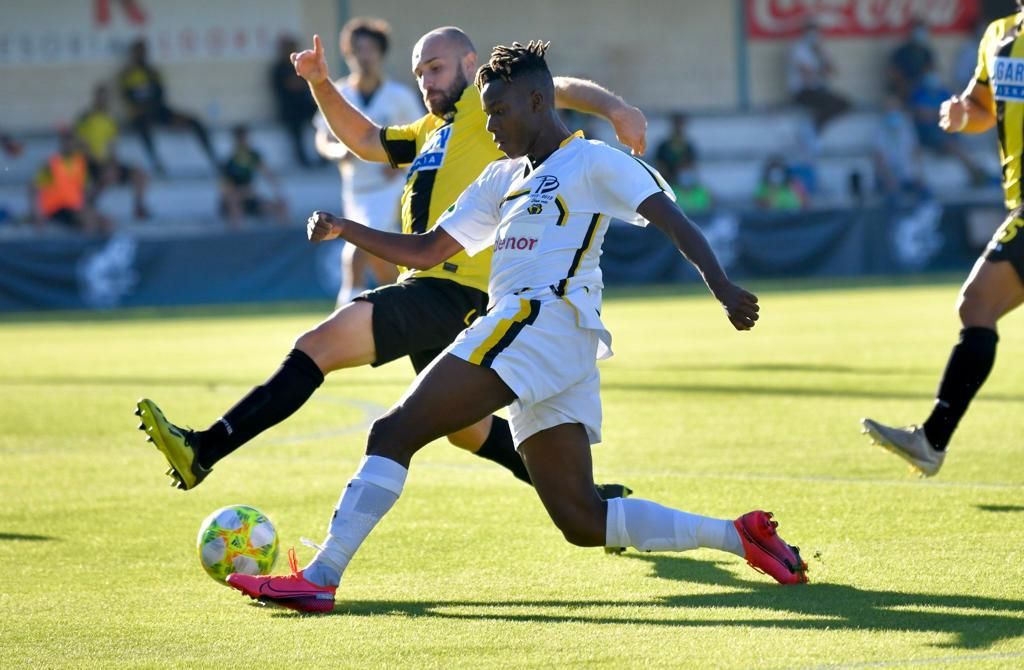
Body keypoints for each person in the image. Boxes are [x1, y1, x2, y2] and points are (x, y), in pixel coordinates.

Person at [225, 41, 807, 613]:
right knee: (582, 519)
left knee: (393, 432)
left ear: (537, 101)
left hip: (539, 320)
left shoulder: (593, 160)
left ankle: (322, 576)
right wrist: (347, 228)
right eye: (487, 112)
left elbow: (672, 219)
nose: (492, 124)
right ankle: (741, 536)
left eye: (500, 111)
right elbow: (428, 251)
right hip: (552, 339)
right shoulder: (502, 177)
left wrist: (722, 287)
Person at [135, 27, 646, 503]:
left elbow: (559, 87)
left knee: (318, 345)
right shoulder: (429, 131)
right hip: (431, 289)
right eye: (420, 71)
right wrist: (320, 82)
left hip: (452, 292)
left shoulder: (481, 108)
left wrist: (616, 108)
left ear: (470, 63)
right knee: (469, 431)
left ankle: (204, 449)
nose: (426, 80)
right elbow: (363, 140)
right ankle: (591, 502)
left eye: (436, 67)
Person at [861, 3, 1024, 476]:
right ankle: (931, 441)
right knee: (977, 308)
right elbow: (983, 109)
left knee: (977, 304)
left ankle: (932, 440)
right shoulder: (998, 34)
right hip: (1018, 198)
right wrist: (960, 115)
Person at [313, 17, 423, 305]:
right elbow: (322, 139)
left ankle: (343, 316)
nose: (365, 56)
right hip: (356, 189)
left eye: (371, 49)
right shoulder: (338, 93)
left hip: (391, 188)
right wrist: (339, 152)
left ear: (380, 53)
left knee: (356, 250)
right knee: (381, 261)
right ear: (349, 53)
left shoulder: (399, 97)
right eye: (358, 49)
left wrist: (401, 164)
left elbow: (425, 138)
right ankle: (398, 308)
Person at [118, 38, 218, 175]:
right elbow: (129, 98)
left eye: (144, 52)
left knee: (194, 121)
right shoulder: (127, 74)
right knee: (142, 126)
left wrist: (168, 118)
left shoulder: (153, 72)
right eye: (139, 52)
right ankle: (156, 163)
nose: (142, 55)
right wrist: (145, 106)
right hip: (140, 114)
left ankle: (214, 159)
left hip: (159, 112)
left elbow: (161, 95)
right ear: (133, 54)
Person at [74, 84, 150, 220]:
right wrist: (98, 162)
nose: (104, 100)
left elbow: (112, 146)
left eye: (106, 97)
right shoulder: (85, 118)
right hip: (90, 163)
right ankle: (89, 203)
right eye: (101, 97)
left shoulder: (110, 120)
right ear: (95, 98)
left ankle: (139, 207)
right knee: (109, 175)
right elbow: (81, 145)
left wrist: (113, 162)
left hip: (107, 163)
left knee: (140, 174)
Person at [908, 68, 986, 184]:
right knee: (950, 143)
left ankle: (977, 171)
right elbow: (921, 114)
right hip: (928, 135)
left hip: (946, 129)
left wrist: (935, 114)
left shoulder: (942, 92)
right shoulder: (918, 93)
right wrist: (938, 114)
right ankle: (974, 171)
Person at [27, 129, 111, 235]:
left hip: (74, 208)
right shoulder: (52, 163)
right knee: (88, 220)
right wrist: (36, 214)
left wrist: (101, 186)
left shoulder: (80, 162)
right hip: (55, 209)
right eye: (67, 142)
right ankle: (85, 248)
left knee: (106, 222)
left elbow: (85, 191)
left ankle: (100, 249)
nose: (70, 145)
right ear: (62, 144)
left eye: (72, 142)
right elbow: (33, 189)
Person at [219, 124, 289, 229]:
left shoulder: (253, 156)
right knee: (234, 202)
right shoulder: (229, 162)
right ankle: (237, 234)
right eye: (240, 139)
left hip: (250, 200)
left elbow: (268, 175)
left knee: (280, 205)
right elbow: (226, 192)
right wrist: (245, 192)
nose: (243, 142)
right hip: (234, 202)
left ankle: (285, 231)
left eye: (244, 139)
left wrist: (277, 193)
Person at [787, 21, 850, 132]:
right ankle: (813, 127)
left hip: (819, 90)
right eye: (810, 33)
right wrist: (822, 70)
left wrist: (820, 54)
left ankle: (816, 125)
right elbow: (807, 75)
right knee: (827, 103)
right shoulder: (798, 49)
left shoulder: (820, 49)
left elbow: (833, 71)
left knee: (844, 104)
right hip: (802, 91)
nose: (813, 36)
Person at [270, 36, 320, 168]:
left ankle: (322, 156)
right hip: (289, 109)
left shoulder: (299, 65)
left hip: (304, 105)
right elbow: (290, 85)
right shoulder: (279, 68)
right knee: (296, 135)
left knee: (319, 125)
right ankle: (303, 161)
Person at [872, 94, 927, 204]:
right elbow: (878, 157)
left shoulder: (907, 126)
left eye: (894, 106)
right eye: (888, 107)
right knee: (892, 198)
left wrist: (919, 174)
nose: (891, 109)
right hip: (889, 177)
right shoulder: (879, 129)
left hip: (908, 175)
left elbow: (915, 150)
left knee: (926, 195)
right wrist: (888, 178)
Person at [888, 18, 936, 101]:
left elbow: (931, 69)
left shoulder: (926, 52)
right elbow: (894, 72)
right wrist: (906, 84)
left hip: (922, 87)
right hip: (905, 86)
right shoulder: (902, 51)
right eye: (918, 30)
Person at [653, 112, 698, 182]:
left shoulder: (689, 147)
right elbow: (659, 166)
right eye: (676, 124)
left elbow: (691, 167)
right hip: (666, 182)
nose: (678, 127)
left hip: (682, 185)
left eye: (680, 124)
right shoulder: (663, 147)